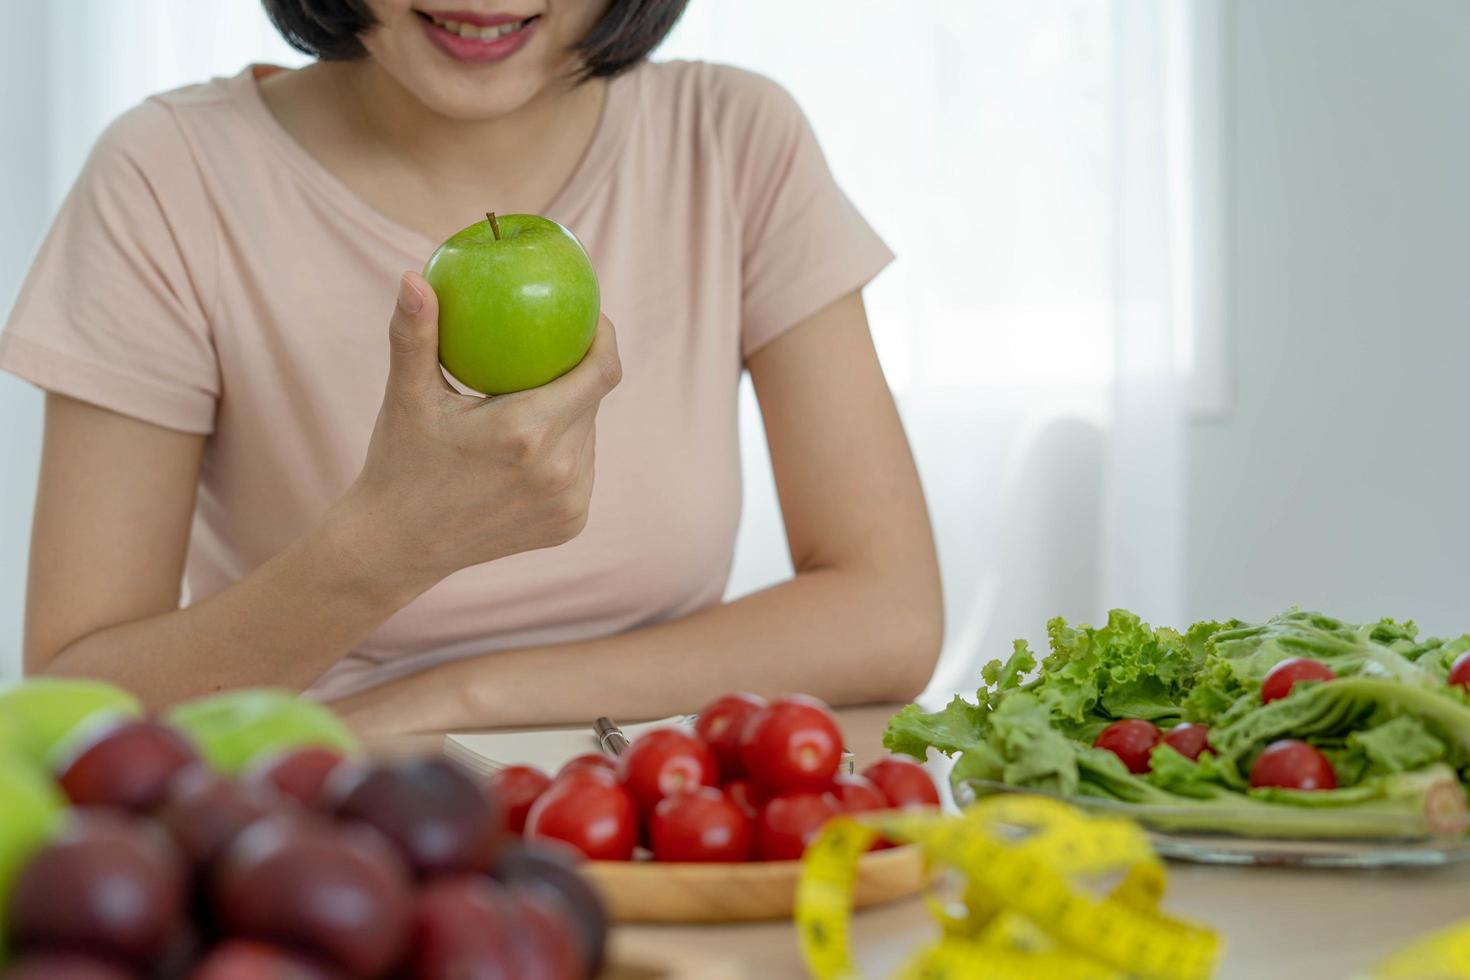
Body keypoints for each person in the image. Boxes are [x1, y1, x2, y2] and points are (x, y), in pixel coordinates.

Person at [0, 0, 941, 735]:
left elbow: (888, 615)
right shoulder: (167, 176)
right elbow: (76, 707)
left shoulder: (730, 137)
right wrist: (389, 544)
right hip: (331, 824)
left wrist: (455, 696)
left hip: (647, 799)